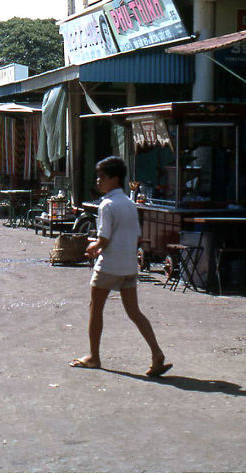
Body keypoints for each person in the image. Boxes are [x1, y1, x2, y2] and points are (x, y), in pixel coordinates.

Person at [70, 156, 171, 377]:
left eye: (102, 177)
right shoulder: (129, 203)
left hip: (108, 265)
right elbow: (136, 236)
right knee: (134, 312)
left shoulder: (107, 204)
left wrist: (92, 248)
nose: (98, 181)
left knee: (95, 309)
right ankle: (156, 353)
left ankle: (93, 357)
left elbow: (103, 239)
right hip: (128, 266)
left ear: (114, 179)